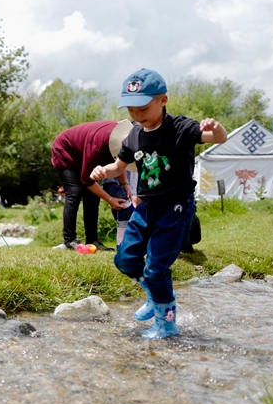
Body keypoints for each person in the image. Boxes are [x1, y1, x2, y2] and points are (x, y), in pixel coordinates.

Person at [91, 68, 228, 339]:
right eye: (131, 109)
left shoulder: (180, 127)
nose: (137, 115)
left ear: (162, 100)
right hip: (145, 207)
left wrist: (217, 130)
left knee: (156, 267)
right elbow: (119, 165)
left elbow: (217, 139)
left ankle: (166, 323)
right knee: (125, 259)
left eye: (142, 108)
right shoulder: (133, 135)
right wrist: (103, 171)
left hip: (175, 208)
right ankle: (155, 295)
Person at [51, 120, 135, 251]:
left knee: (92, 196)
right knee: (75, 192)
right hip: (65, 152)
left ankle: (93, 240)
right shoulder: (97, 146)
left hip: (83, 151)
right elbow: (87, 180)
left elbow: (119, 162)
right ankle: (69, 240)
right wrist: (110, 199)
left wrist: (124, 183)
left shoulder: (124, 139)